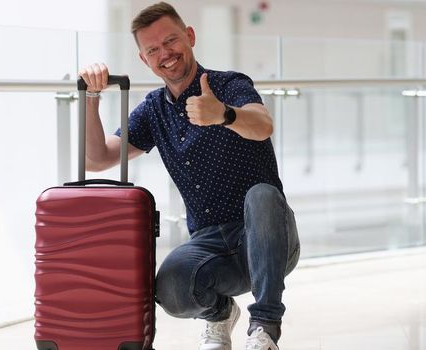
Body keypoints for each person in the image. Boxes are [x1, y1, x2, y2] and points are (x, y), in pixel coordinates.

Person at [78, 2, 300, 350]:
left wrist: (224, 115)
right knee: (170, 289)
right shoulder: (153, 110)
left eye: (171, 41)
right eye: (153, 49)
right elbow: (97, 158)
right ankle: (219, 314)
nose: (165, 54)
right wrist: (91, 98)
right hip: (212, 245)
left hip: (266, 237)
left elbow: (263, 126)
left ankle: (265, 328)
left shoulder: (229, 85)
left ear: (190, 37)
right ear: (144, 60)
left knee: (262, 195)